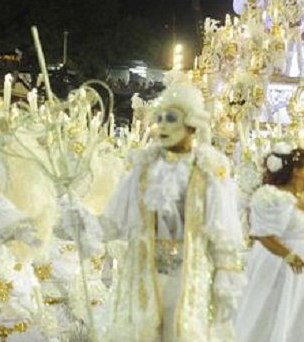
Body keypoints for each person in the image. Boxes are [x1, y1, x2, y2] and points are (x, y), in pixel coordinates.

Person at [98, 77, 245, 341]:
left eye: (171, 118)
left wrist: (226, 275)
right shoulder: (142, 169)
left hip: (190, 273)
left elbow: (223, 234)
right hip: (144, 271)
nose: (163, 125)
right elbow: (114, 222)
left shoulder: (208, 172)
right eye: (160, 118)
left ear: (191, 126)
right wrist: (82, 223)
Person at [235, 144, 304, 342]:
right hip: (285, 268)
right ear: (296, 172)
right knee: (282, 314)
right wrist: (287, 255)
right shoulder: (274, 197)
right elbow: (262, 234)